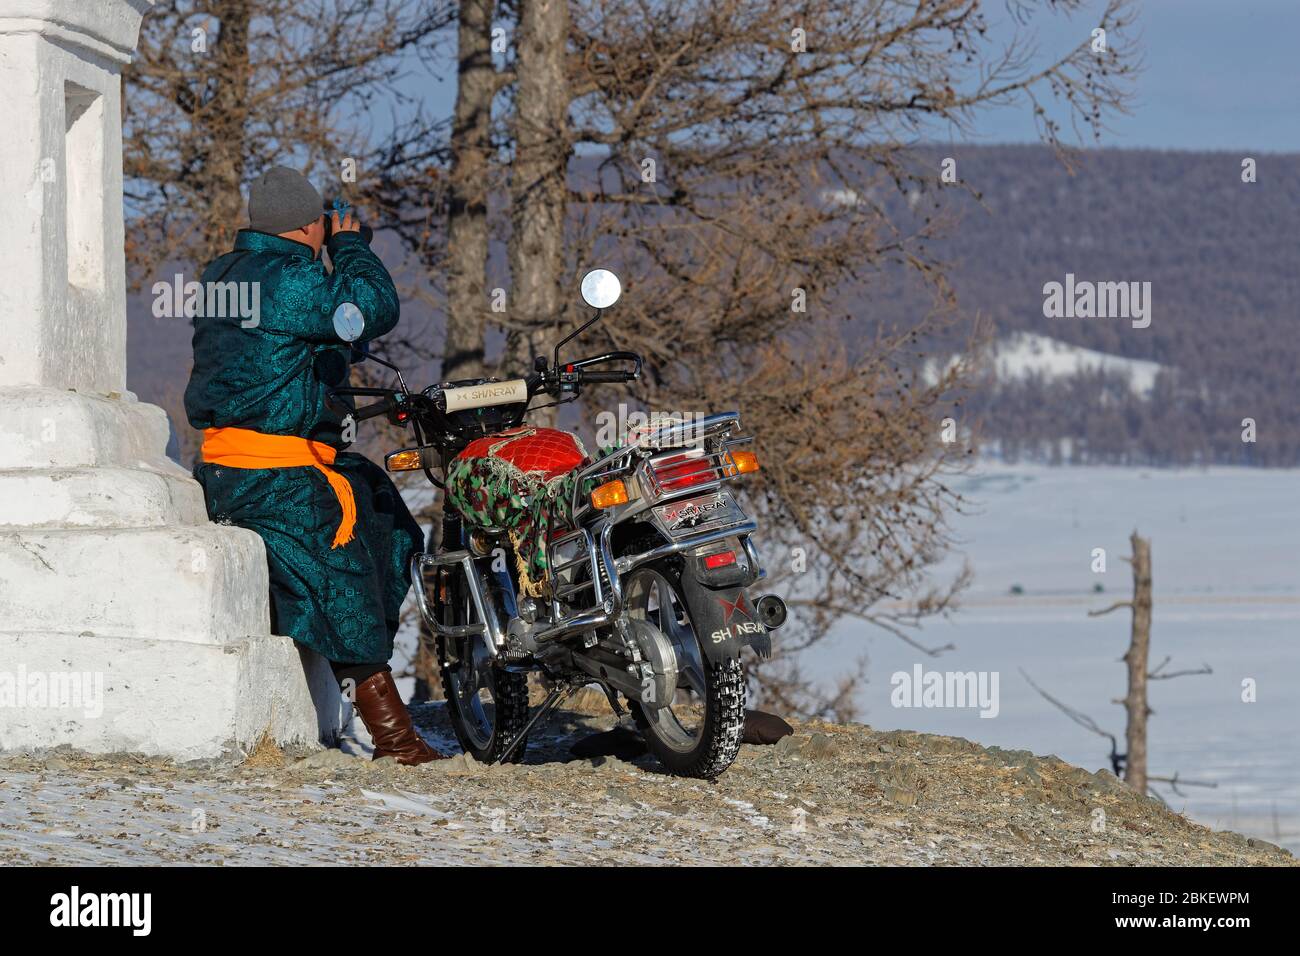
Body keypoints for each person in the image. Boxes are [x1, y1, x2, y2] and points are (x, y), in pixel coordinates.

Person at [184, 166, 445, 765]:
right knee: (342, 575)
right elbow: (372, 308)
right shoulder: (291, 276)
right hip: (277, 479)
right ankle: (397, 741)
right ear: (308, 228)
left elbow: (305, 342)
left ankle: (371, 683)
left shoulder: (220, 275)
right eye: (321, 227)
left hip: (233, 470)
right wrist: (350, 245)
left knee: (379, 504)